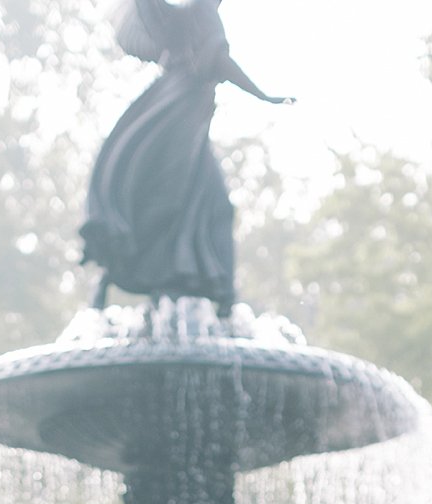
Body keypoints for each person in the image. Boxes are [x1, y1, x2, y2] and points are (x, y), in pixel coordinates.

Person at [81, 0, 292, 313]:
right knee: (178, 203)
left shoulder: (187, 13)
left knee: (198, 204)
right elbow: (219, 62)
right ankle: (219, 297)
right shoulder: (201, 10)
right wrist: (265, 96)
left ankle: (214, 292)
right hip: (179, 115)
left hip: (181, 115)